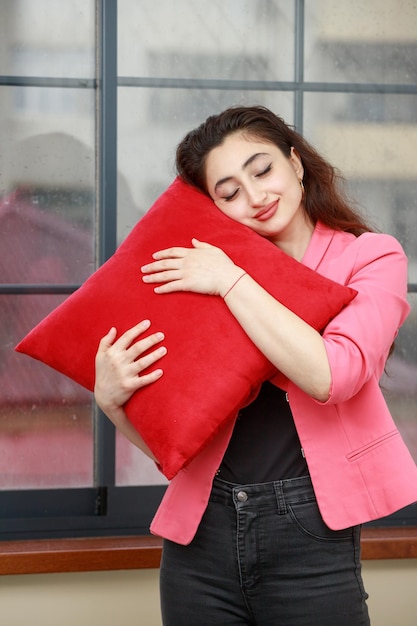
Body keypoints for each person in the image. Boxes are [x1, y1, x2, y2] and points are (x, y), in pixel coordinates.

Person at [94, 106, 417, 625]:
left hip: (311, 532)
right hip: (201, 539)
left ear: (295, 163)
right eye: (228, 193)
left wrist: (232, 281)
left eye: (262, 170)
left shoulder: (372, 257)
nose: (255, 197)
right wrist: (111, 403)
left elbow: (334, 375)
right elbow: (178, 442)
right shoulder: (206, 273)